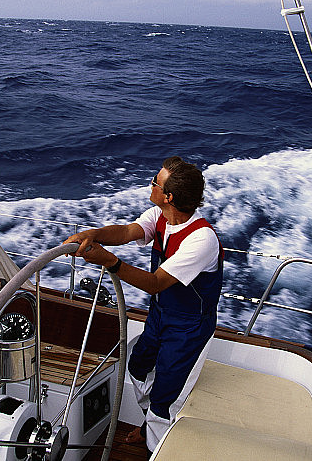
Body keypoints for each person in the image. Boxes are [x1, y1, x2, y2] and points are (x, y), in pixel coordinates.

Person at [64, 156, 223, 452]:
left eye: (155, 181)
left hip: (189, 327)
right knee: (137, 366)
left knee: (166, 398)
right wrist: (92, 235)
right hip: (160, 315)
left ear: (168, 196)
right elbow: (126, 232)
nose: (150, 184)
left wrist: (109, 261)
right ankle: (152, 424)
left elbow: (155, 283)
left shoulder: (202, 240)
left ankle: (157, 446)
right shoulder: (160, 217)